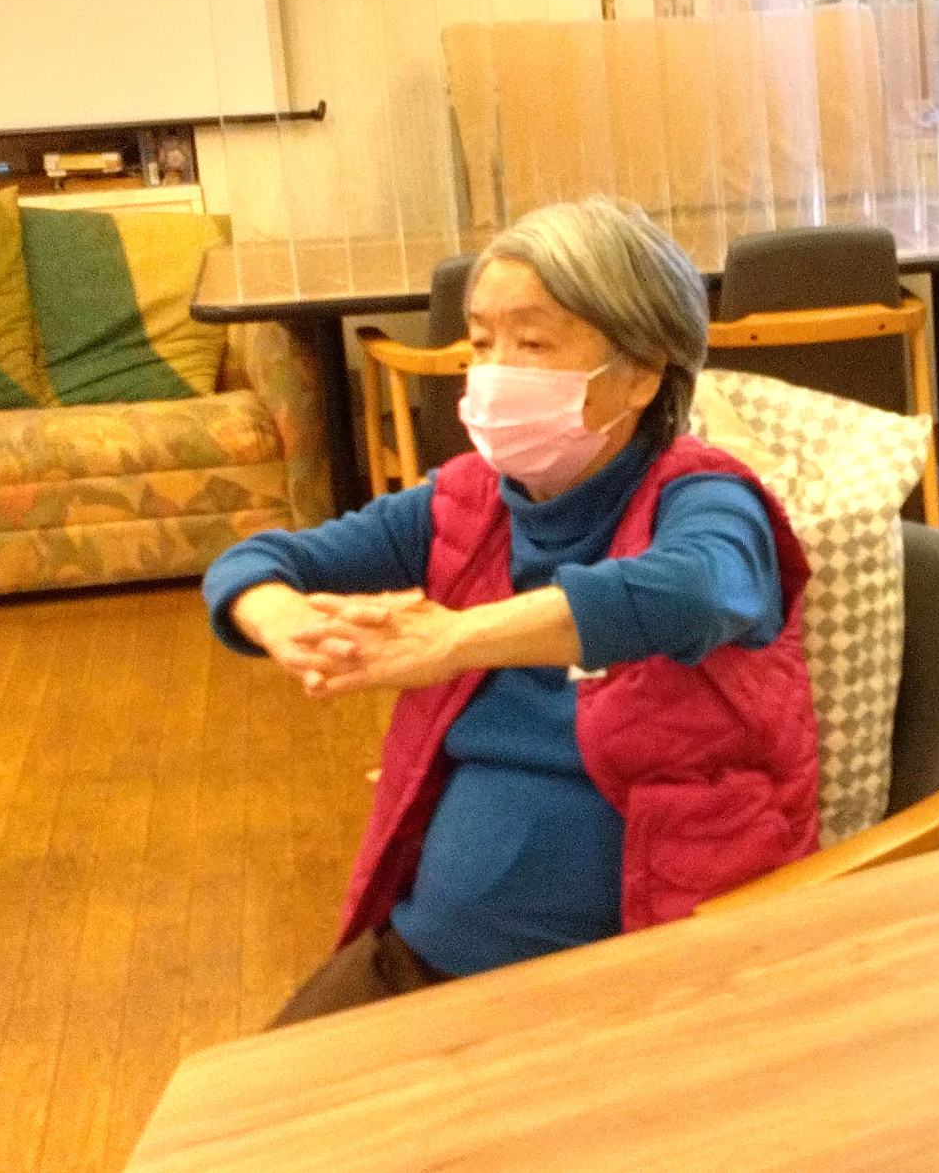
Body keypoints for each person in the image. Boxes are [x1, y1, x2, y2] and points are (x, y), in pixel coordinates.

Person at [204, 198, 817, 1024]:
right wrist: (281, 618)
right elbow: (254, 564)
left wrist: (460, 640)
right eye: (480, 343)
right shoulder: (466, 503)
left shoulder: (703, 496)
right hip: (424, 956)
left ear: (641, 372)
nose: (493, 374)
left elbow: (698, 590)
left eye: (532, 344)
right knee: (249, 1100)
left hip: (647, 981)